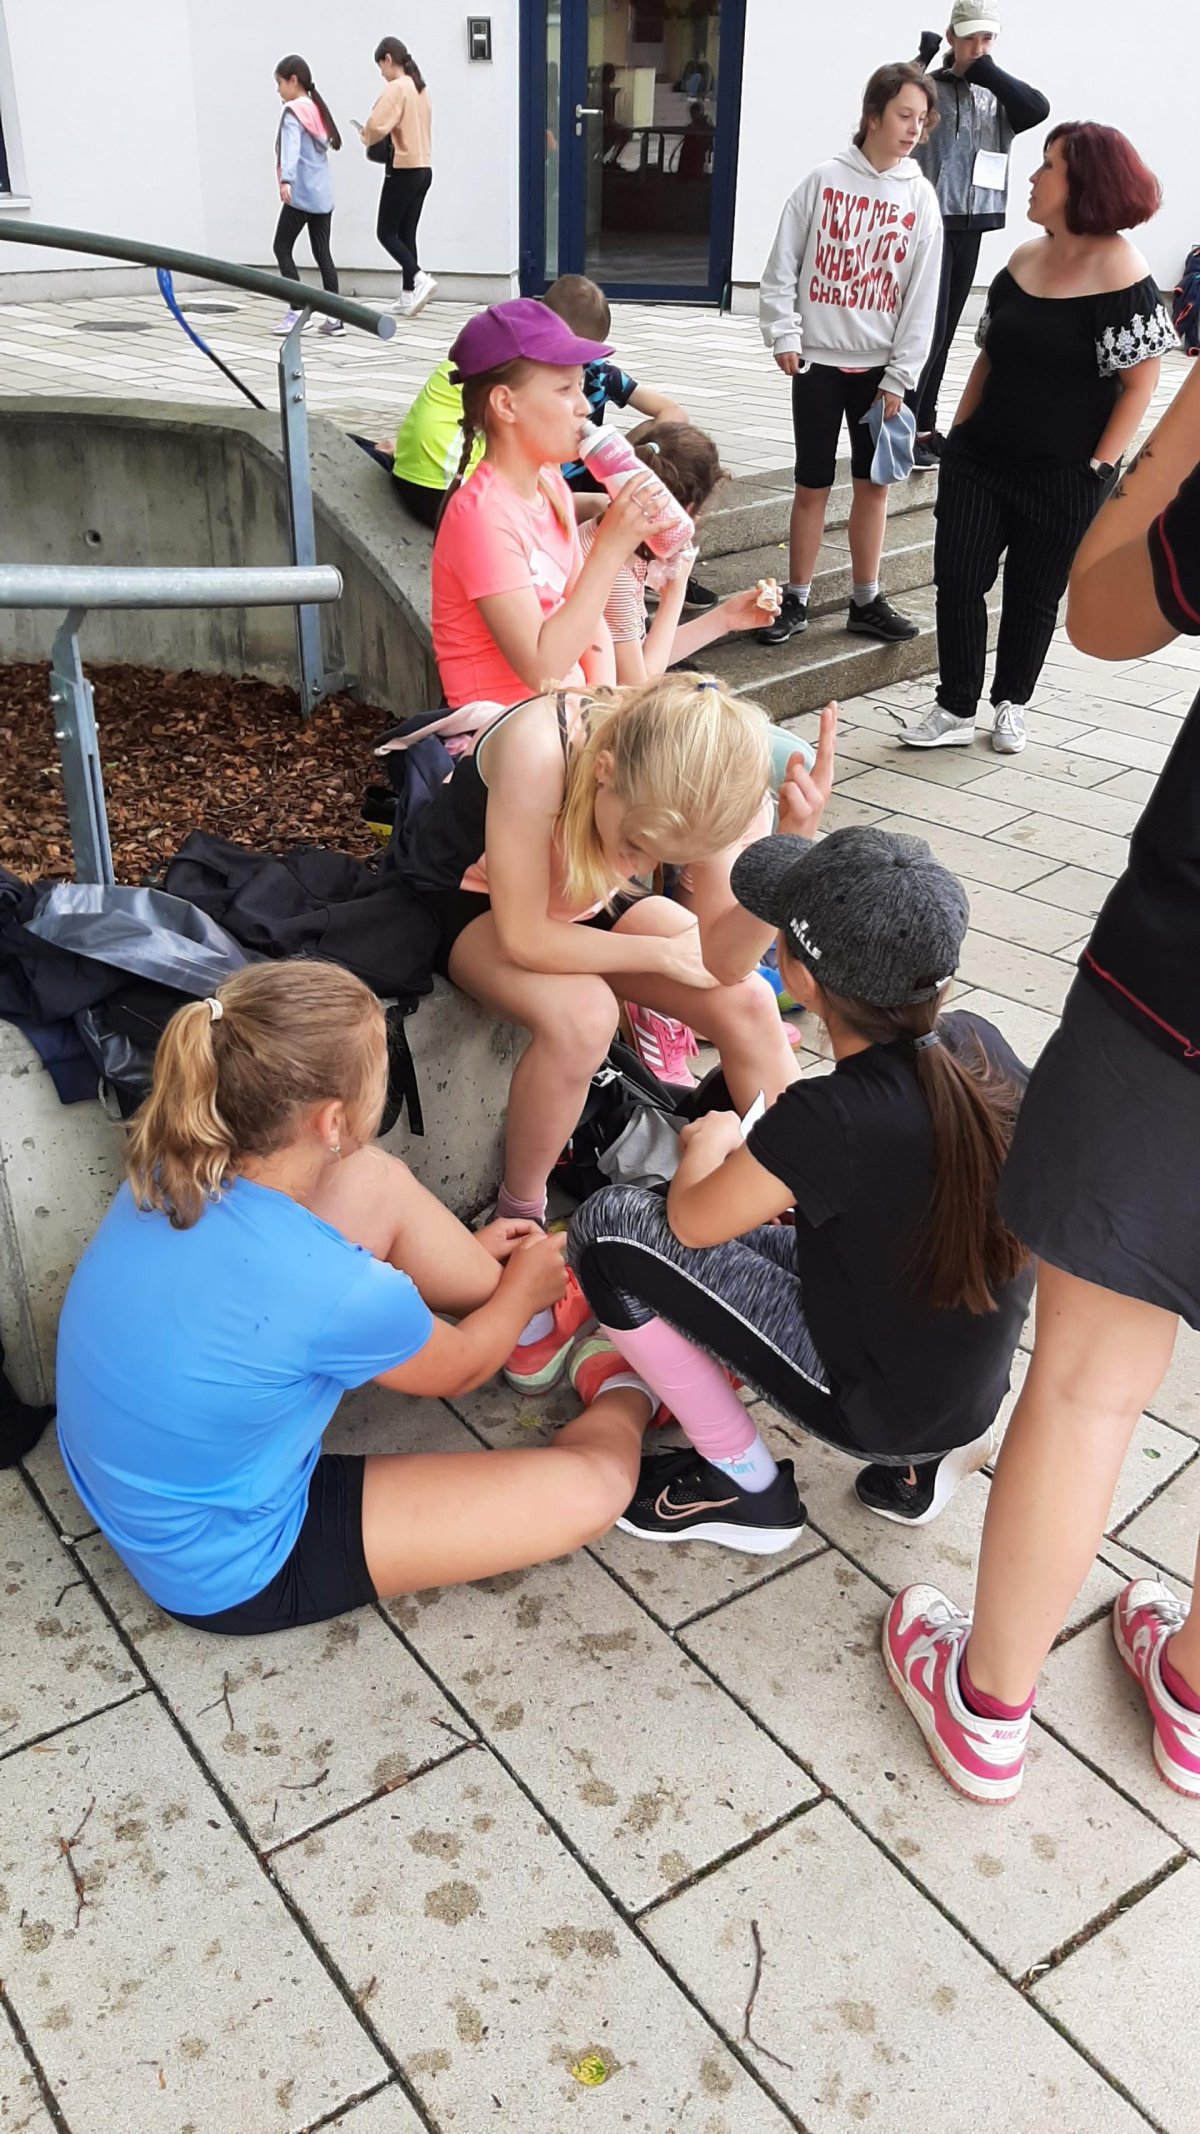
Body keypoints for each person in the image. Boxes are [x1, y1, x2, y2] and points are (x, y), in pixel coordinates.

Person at [884, 359, 1200, 1805]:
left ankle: (989, 1703)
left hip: (1182, 988)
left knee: (1088, 1372)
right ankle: (1190, 1694)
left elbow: (1106, 611)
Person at [53, 962, 660, 1635]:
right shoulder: (339, 1289)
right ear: (334, 1119)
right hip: (229, 1564)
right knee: (592, 1491)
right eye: (384, 1065)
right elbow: (459, 1368)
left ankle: (539, 1329)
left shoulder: (175, 1160)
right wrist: (518, 1293)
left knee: (369, 1179)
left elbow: (296, 1272)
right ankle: (625, 1380)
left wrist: (489, 1277)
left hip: (140, 1482)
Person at [569, 730, 1034, 1554]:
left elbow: (693, 1223)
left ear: (801, 980)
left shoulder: (832, 1114)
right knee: (770, 1237)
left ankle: (742, 1484)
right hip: (958, 1388)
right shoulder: (979, 1045)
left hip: (873, 1408)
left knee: (608, 1230)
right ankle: (924, 1468)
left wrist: (708, 1144)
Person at [400, 674, 807, 1232]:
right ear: (604, 770)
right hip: (472, 898)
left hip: (582, 895)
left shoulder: (707, 787)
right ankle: (520, 1213)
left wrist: (789, 855)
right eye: (638, 845)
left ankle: (803, 1188)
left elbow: (727, 964)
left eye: (669, 858)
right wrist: (658, 956)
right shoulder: (539, 748)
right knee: (586, 1016)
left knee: (750, 1000)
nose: (645, 868)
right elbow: (525, 937)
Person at [900, 122, 1171, 758]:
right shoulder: (1022, 261)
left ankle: (1010, 703)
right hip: (981, 458)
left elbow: (1140, 385)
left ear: (1084, 185)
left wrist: (1097, 468)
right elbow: (988, 358)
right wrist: (957, 437)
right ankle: (955, 705)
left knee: (1033, 593)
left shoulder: (1124, 274)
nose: (1032, 177)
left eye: (1048, 166)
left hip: (1064, 472)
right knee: (958, 578)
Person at [758, 62, 944, 652]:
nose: (913, 129)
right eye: (903, 115)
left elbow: (923, 299)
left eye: (921, 119)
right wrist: (785, 335)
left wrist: (901, 376)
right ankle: (796, 600)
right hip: (816, 365)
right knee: (811, 485)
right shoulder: (822, 181)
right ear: (873, 115)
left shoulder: (920, 198)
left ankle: (866, 600)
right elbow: (781, 267)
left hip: (880, 374)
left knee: (873, 485)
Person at [431, 297, 668, 710]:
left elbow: (591, 626)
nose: (585, 406)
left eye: (580, 385)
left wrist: (603, 710)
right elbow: (542, 670)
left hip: (566, 717)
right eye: (564, 389)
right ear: (506, 404)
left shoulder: (550, 483)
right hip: (505, 733)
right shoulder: (481, 516)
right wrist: (609, 549)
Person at [910, 5, 1050, 468]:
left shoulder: (998, 93)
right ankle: (902, 428)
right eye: (970, 38)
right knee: (926, 330)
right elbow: (889, 102)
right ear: (952, 36)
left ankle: (924, 425)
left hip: (973, 220)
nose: (978, 47)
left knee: (946, 330)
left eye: (987, 38)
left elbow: (1037, 108)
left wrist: (984, 69)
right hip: (931, 221)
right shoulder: (930, 86)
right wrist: (928, 58)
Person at [541, 274, 717, 612]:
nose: (583, 367)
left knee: (661, 444)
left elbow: (672, 413)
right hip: (549, 487)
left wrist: (629, 459)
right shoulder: (535, 380)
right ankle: (644, 570)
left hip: (585, 471)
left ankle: (656, 567)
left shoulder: (599, 372)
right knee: (620, 504)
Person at [576, 422, 782, 686]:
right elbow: (637, 687)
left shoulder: (616, 542)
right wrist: (675, 593)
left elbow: (643, 656)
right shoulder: (616, 573)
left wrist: (726, 618)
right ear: (687, 510)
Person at [361, 37, 435, 318]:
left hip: (403, 169)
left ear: (388, 59)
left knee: (386, 232)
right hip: (424, 167)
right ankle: (408, 295)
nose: (382, 73)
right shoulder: (420, 87)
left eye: (381, 66)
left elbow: (376, 124)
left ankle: (419, 277)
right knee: (407, 233)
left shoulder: (397, 87)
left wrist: (365, 135)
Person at [271, 56, 343, 338]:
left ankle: (297, 310)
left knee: (281, 247)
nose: (278, 90)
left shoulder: (293, 112)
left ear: (293, 81)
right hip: (322, 195)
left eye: (279, 83)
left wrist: (286, 181)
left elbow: (290, 148)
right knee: (323, 252)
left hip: (301, 193)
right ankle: (335, 317)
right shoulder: (316, 109)